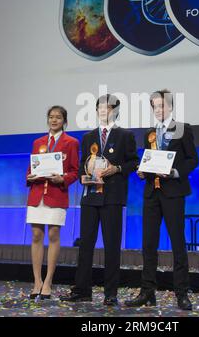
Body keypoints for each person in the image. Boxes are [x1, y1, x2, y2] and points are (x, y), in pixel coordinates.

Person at [60, 94, 139, 306]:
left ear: (116, 111)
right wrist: (82, 178)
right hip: (90, 197)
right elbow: (81, 168)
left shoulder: (125, 136)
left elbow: (134, 162)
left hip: (113, 197)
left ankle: (110, 293)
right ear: (96, 111)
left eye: (109, 108)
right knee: (85, 245)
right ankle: (82, 290)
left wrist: (118, 168)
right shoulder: (88, 138)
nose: (104, 111)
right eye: (100, 108)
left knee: (112, 246)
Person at [125, 89, 198, 310]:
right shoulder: (150, 133)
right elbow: (150, 161)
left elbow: (192, 159)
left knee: (177, 243)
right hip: (151, 193)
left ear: (171, 106)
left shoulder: (182, 129)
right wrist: (142, 171)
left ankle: (182, 293)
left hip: (173, 192)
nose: (159, 110)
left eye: (162, 105)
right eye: (155, 106)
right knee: (148, 244)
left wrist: (175, 172)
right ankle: (148, 292)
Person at [26, 106, 79, 299]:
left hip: (57, 193)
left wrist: (63, 178)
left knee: (54, 233)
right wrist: (30, 176)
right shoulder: (38, 142)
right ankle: (37, 281)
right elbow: (30, 168)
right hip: (37, 193)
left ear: (64, 121)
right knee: (36, 234)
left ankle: (48, 281)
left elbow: (75, 171)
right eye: (51, 117)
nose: (54, 120)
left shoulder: (71, 142)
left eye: (58, 117)